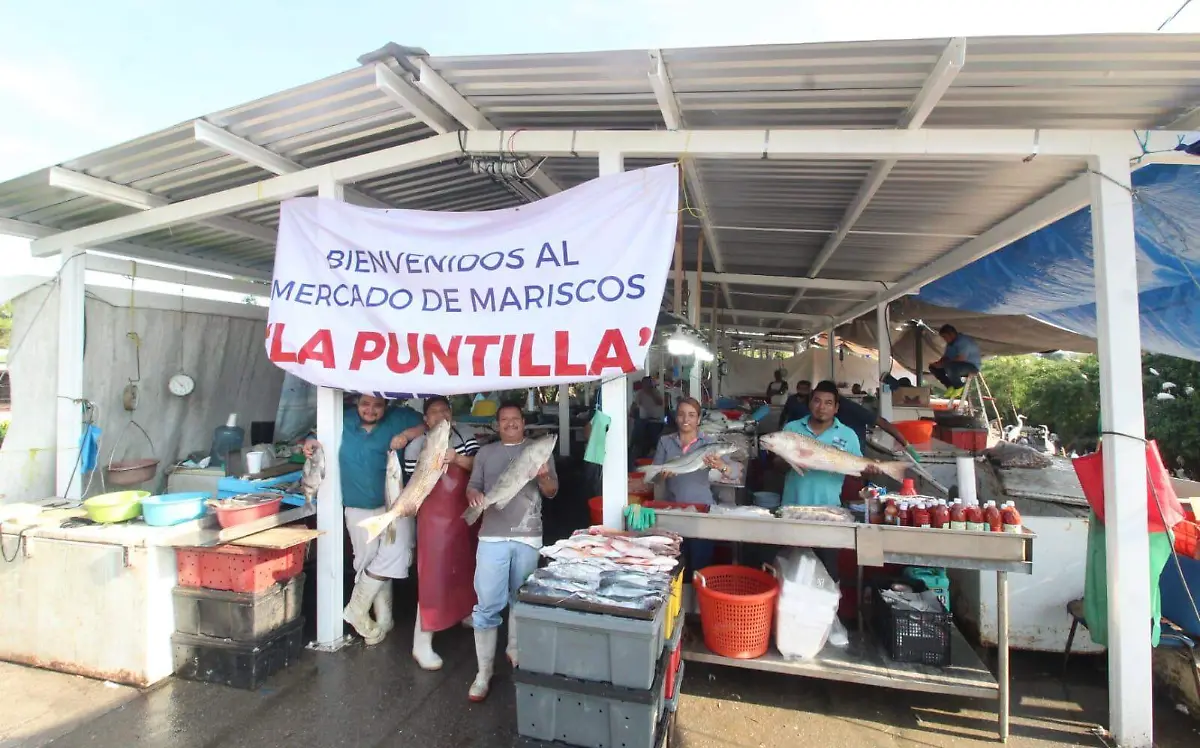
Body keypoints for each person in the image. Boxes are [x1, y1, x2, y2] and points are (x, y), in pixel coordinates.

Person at [303, 394, 425, 645]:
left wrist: (406, 436)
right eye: (365, 404)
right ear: (356, 404)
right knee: (367, 560)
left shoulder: (399, 417)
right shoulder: (343, 418)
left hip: (395, 503)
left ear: (386, 405)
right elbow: (315, 435)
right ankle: (383, 620)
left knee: (396, 553)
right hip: (357, 504)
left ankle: (356, 610)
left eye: (377, 405)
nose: (371, 410)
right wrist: (310, 442)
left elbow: (428, 424)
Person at [465, 402, 559, 702]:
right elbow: (472, 486)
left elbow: (552, 491)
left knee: (522, 596)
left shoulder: (538, 450)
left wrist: (543, 476)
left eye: (515, 419)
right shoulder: (485, 453)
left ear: (523, 422)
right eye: (504, 420)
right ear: (497, 425)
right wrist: (474, 496)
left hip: (528, 536)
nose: (510, 423)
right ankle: (483, 673)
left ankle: (515, 648)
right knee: (486, 605)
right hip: (491, 536)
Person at [405, 396, 480, 671]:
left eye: (445, 411)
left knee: (465, 567)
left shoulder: (465, 436)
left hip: (464, 513)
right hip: (433, 520)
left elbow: (479, 467)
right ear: (426, 420)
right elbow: (413, 486)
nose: (440, 415)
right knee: (433, 577)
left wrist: (457, 458)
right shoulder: (415, 446)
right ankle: (422, 641)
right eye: (434, 412)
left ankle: (465, 613)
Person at [779, 381, 880, 579]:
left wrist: (871, 471)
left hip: (828, 513)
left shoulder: (847, 435)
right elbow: (777, 467)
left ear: (836, 408)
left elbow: (859, 471)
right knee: (791, 571)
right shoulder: (792, 428)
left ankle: (828, 598)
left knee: (827, 572)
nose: (821, 407)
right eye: (817, 401)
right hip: (792, 510)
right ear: (810, 403)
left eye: (828, 403)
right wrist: (790, 459)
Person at [651, 397, 733, 574]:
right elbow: (655, 479)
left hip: (701, 510)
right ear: (676, 417)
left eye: (691, 415)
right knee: (673, 564)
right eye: (681, 414)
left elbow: (731, 473)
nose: (686, 419)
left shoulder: (709, 443)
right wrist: (661, 475)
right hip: (673, 510)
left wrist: (721, 466)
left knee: (700, 564)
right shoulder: (665, 441)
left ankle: (696, 590)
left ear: (698, 419)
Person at [930, 324, 981, 397]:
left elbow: (961, 358)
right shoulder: (950, 344)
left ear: (951, 334)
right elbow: (946, 357)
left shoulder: (963, 341)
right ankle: (950, 386)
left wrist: (943, 364)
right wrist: (938, 363)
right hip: (955, 366)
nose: (944, 339)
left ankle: (959, 386)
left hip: (971, 366)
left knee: (949, 365)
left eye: (945, 337)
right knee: (933, 367)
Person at [631, 375, 666, 461]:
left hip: (655, 420)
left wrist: (651, 393)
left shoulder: (656, 392)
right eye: (644, 383)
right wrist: (632, 412)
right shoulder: (640, 393)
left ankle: (654, 452)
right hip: (643, 419)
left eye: (648, 383)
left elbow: (660, 402)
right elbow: (635, 404)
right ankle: (638, 452)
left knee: (653, 436)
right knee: (638, 432)